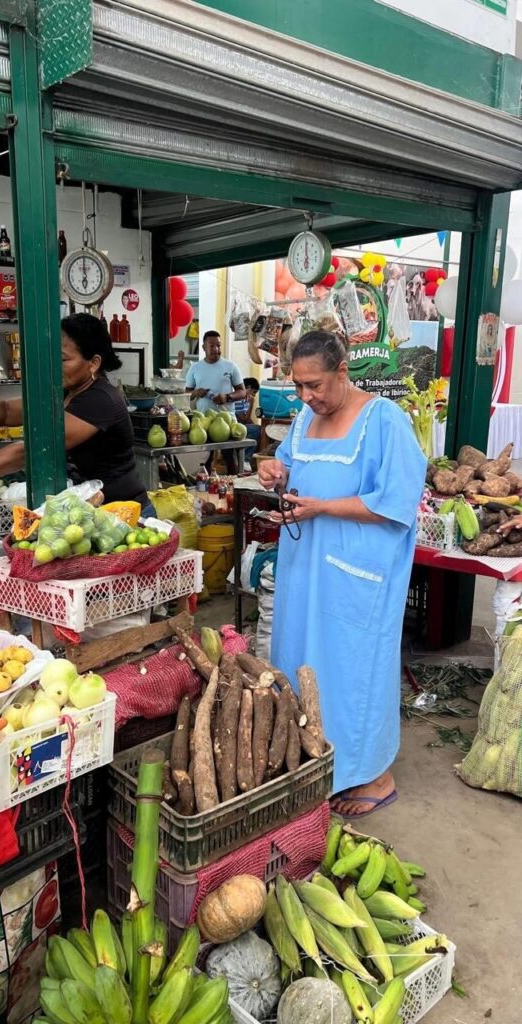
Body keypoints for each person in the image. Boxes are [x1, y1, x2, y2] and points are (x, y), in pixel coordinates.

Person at [258, 330, 426, 818]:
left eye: (315, 385)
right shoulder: (305, 419)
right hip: (305, 568)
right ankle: (318, 762)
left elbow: (397, 504)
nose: (307, 397)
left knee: (354, 669)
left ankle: (372, 773)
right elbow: (290, 468)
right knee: (302, 659)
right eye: (299, 387)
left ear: (343, 372)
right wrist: (276, 471)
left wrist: (322, 508)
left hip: (357, 573)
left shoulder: (383, 422)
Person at [0, 313, 153, 511]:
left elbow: (34, 450)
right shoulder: (65, 392)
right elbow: (6, 411)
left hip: (125, 514)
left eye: (63, 360)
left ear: (94, 363)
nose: (54, 366)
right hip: (92, 509)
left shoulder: (100, 399)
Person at [185, 330, 246, 472]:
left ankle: (235, 488)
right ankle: (206, 489)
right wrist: (196, 392)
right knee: (206, 459)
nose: (216, 349)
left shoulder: (231, 366)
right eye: (212, 346)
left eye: (218, 345)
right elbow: (186, 393)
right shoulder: (195, 368)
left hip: (228, 421)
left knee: (230, 459)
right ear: (204, 347)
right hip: (204, 422)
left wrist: (227, 397)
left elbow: (242, 392)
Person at [235, 377, 261, 458]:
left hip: (240, 426)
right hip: (235, 427)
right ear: (248, 388)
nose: (254, 395)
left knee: (260, 430)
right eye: (254, 392)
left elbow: (247, 419)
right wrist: (251, 404)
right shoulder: (238, 399)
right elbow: (244, 420)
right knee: (258, 430)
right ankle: (243, 458)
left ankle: (246, 457)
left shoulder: (244, 399)